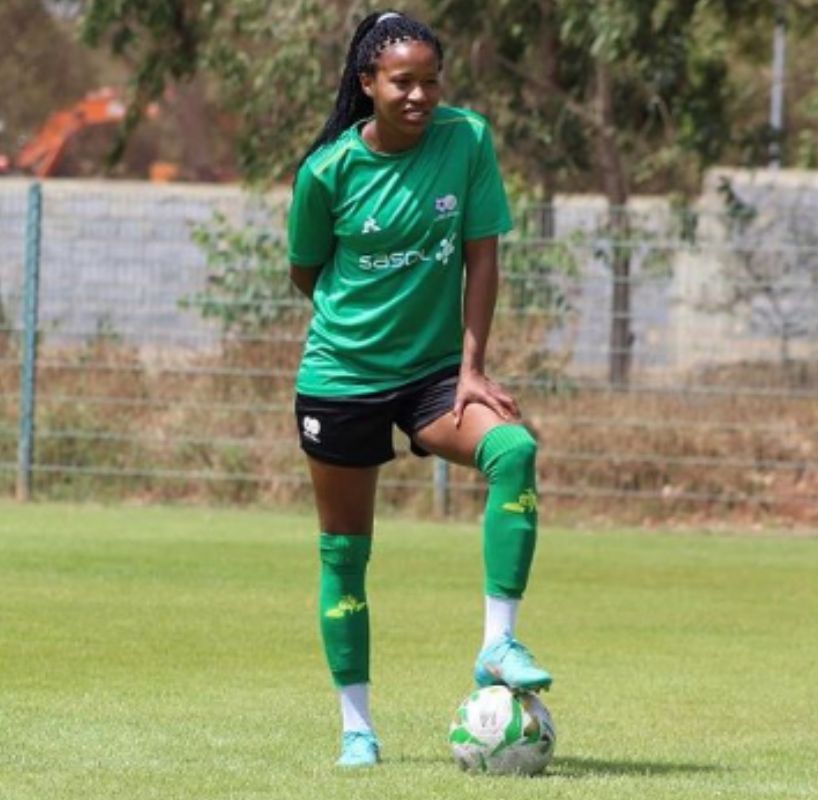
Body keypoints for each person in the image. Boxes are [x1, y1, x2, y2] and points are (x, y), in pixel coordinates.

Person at [287, 10, 552, 768]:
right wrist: (366, 331)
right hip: (342, 381)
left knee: (514, 450)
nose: (421, 95)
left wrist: (471, 367)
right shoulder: (327, 172)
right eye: (404, 82)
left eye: (431, 81)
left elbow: (483, 256)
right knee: (345, 556)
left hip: (437, 378)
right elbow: (306, 272)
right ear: (368, 83)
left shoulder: (466, 139)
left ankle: (497, 645)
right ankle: (357, 729)